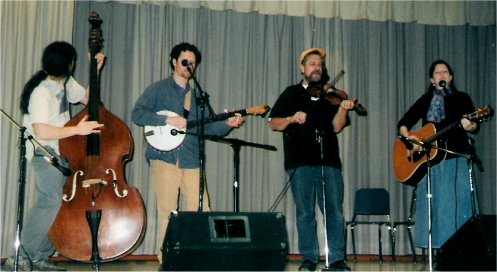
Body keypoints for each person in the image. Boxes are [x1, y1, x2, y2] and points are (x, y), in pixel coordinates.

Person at [131, 42, 244, 265]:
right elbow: (138, 114)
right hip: (164, 158)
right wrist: (166, 119)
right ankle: (167, 258)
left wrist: (229, 123)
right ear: (174, 62)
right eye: (185, 61)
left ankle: (198, 256)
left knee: (201, 208)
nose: (189, 65)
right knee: (167, 210)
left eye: (193, 63)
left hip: (192, 158)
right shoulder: (158, 89)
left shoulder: (198, 97)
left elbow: (209, 129)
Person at [2, 41, 105, 271]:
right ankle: (17, 257)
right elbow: (42, 131)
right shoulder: (41, 92)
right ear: (69, 64)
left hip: (62, 153)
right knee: (50, 200)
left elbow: (89, 99)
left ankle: (39, 256)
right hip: (44, 152)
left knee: (60, 204)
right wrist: (77, 130)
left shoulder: (65, 83)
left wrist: (94, 71)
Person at [268, 48, 353, 271]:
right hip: (300, 161)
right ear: (302, 68)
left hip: (329, 161)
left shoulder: (330, 96)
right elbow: (274, 123)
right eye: (312, 63)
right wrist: (291, 118)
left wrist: (343, 109)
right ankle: (309, 258)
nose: (317, 67)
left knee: (334, 211)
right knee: (305, 212)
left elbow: (337, 126)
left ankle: (336, 260)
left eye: (320, 64)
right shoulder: (291, 93)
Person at [397, 60, 478, 251]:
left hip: (455, 158)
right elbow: (403, 123)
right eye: (437, 72)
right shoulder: (425, 100)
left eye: (445, 72)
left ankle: (460, 251)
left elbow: (475, 127)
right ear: (432, 79)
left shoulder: (462, 98)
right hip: (431, 162)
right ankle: (439, 251)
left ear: (450, 77)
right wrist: (409, 138)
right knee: (436, 208)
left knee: (458, 206)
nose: (441, 75)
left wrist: (470, 125)